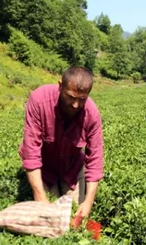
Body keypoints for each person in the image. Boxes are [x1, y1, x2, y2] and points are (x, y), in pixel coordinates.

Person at [19, 66, 103, 219]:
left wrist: (88, 201)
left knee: (74, 214)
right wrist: (39, 195)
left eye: (82, 99)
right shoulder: (39, 100)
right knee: (49, 214)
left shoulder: (92, 114)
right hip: (44, 168)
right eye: (71, 97)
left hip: (71, 169)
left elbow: (95, 160)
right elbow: (31, 153)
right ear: (60, 86)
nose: (76, 105)